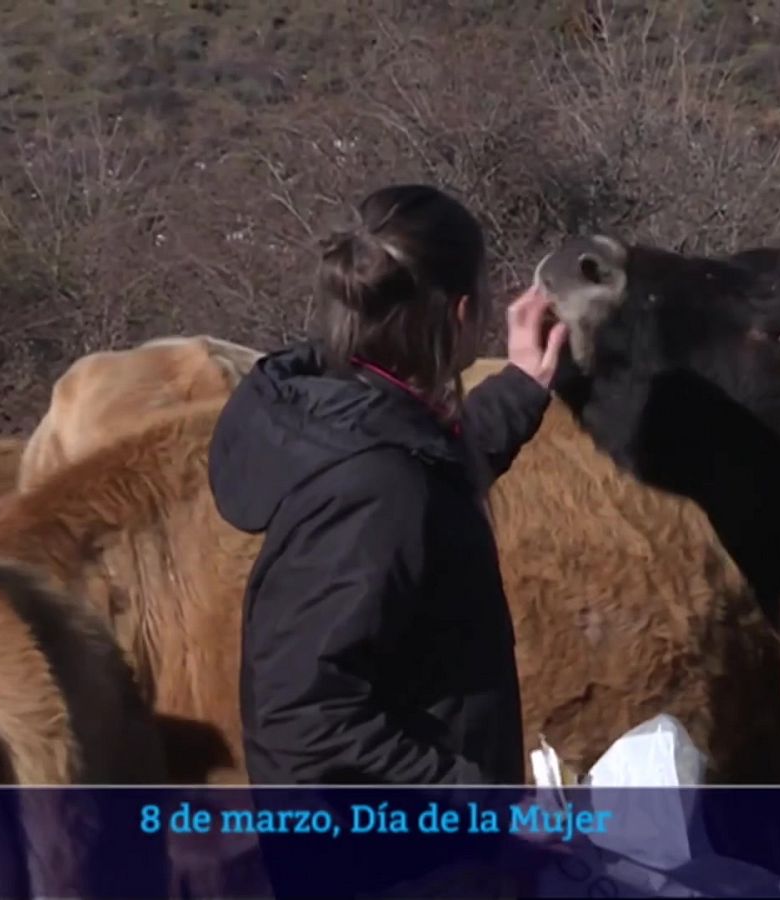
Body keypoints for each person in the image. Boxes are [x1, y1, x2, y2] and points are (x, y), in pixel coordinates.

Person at [206, 184, 568, 896]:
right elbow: (305, 712)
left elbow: (424, 467)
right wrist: (479, 803)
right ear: (463, 314)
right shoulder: (374, 484)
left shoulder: (339, 406)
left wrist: (522, 385)